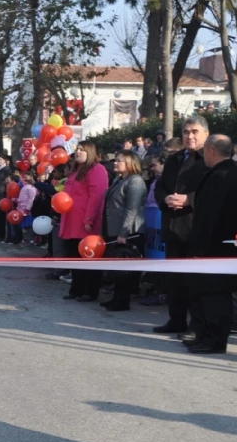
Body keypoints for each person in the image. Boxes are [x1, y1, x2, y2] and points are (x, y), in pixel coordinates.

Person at [181, 135, 237, 353]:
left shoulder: (221, 176)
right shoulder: (235, 174)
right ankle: (204, 335)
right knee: (206, 294)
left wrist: (199, 249)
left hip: (214, 246)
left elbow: (208, 217)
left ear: (211, 151)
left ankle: (214, 340)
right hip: (224, 244)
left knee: (215, 296)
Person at [153, 116, 210, 336]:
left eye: (195, 131)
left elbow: (215, 190)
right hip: (173, 226)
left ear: (206, 133)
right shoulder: (174, 159)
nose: (190, 136)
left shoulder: (210, 159)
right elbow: (160, 186)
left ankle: (197, 325)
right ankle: (176, 320)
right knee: (175, 280)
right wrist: (165, 199)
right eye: (186, 132)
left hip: (196, 228)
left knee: (195, 281)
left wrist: (190, 200)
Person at [59, 140, 109, 301]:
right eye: (77, 149)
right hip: (71, 220)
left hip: (85, 222)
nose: (78, 152)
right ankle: (76, 289)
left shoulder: (97, 170)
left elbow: (97, 196)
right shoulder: (76, 170)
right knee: (74, 255)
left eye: (82, 149)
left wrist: (89, 218)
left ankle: (90, 291)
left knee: (88, 257)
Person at [100, 151, 147, 311]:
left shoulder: (135, 181)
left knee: (125, 266)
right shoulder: (118, 180)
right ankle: (116, 298)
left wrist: (123, 233)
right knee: (117, 265)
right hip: (114, 228)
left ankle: (122, 301)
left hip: (129, 231)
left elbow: (131, 209)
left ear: (130, 163)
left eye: (119, 161)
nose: (115, 163)